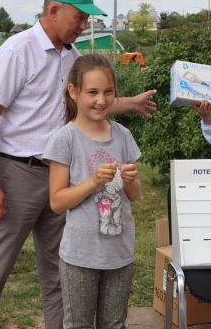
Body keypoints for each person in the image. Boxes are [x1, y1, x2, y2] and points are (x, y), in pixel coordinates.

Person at [0, 0, 156, 329]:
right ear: (53, 10)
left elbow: (90, 102)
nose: (84, 25)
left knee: (59, 277)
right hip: (16, 175)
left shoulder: (73, 58)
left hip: (62, 175)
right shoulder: (18, 51)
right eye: (80, 18)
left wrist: (128, 104)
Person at [45, 54, 141, 329]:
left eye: (108, 92)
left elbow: (134, 195)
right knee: (79, 324)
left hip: (120, 253)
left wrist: (131, 178)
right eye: (92, 92)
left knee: (114, 323)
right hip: (80, 255)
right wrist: (92, 182)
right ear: (73, 92)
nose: (101, 100)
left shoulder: (122, 135)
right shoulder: (65, 139)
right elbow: (56, 201)